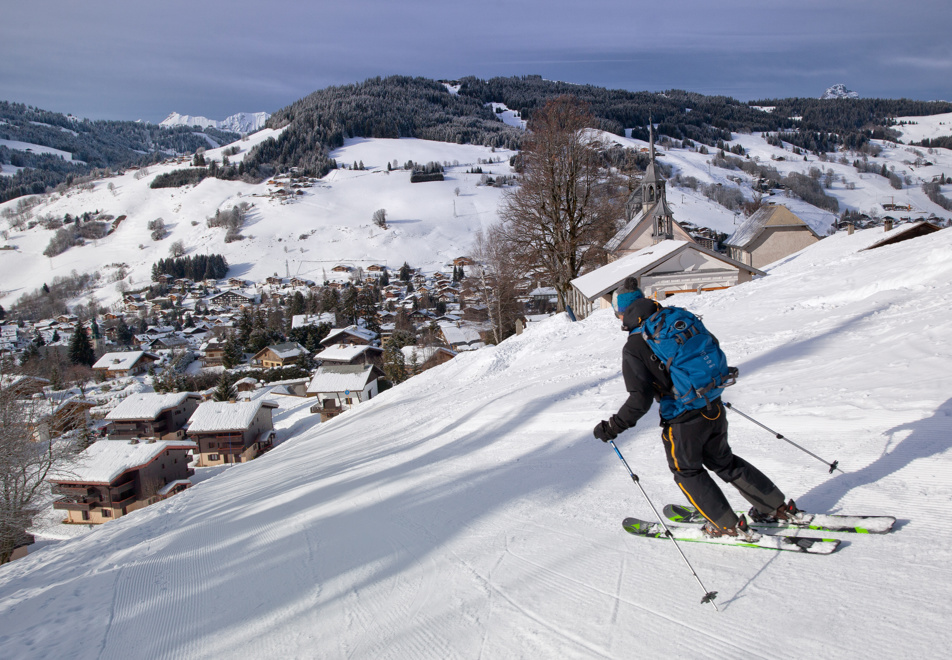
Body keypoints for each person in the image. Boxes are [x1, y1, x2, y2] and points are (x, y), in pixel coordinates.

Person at [593, 277, 800, 539]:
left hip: (682, 417)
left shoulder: (635, 345)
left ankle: (725, 524)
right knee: (723, 461)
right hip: (712, 402)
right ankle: (776, 507)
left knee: (686, 470)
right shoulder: (678, 320)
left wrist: (612, 427)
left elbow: (639, 399)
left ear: (623, 313)